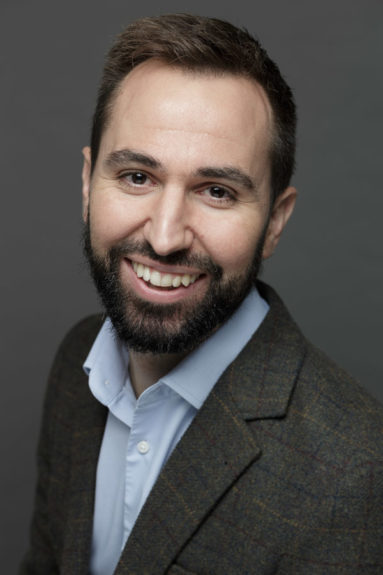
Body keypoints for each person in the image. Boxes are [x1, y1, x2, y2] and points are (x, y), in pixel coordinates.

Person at [20, 13, 383, 575]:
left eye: (217, 191)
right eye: (137, 176)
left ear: (276, 222)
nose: (164, 238)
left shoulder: (356, 469)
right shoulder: (76, 365)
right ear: (90, 184)